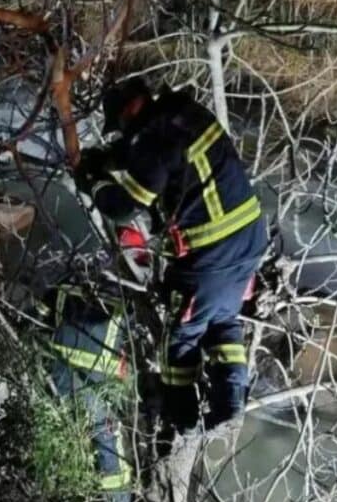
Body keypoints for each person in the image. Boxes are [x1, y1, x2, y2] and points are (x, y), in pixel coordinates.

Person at [75, 79, 266, 432]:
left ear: (129, 110)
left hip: (210, 257)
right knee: (223, 317)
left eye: (120, 127)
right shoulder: (182, 113)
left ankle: (182, 420)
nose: (123, 134)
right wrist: (109, 159)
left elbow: (122, 208)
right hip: (248, 242)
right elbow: (152, 156)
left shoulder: (153, 137)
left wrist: (91, 180)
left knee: (181, 338)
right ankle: (230, 401)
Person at [35, 266, 137, 502]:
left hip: (59, 374)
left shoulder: (65, 283)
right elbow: (137, 347)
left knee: (66, 430)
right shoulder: (128, 300)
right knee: (107, 443)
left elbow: (39, 318)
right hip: (95, 382)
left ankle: (63, 491)